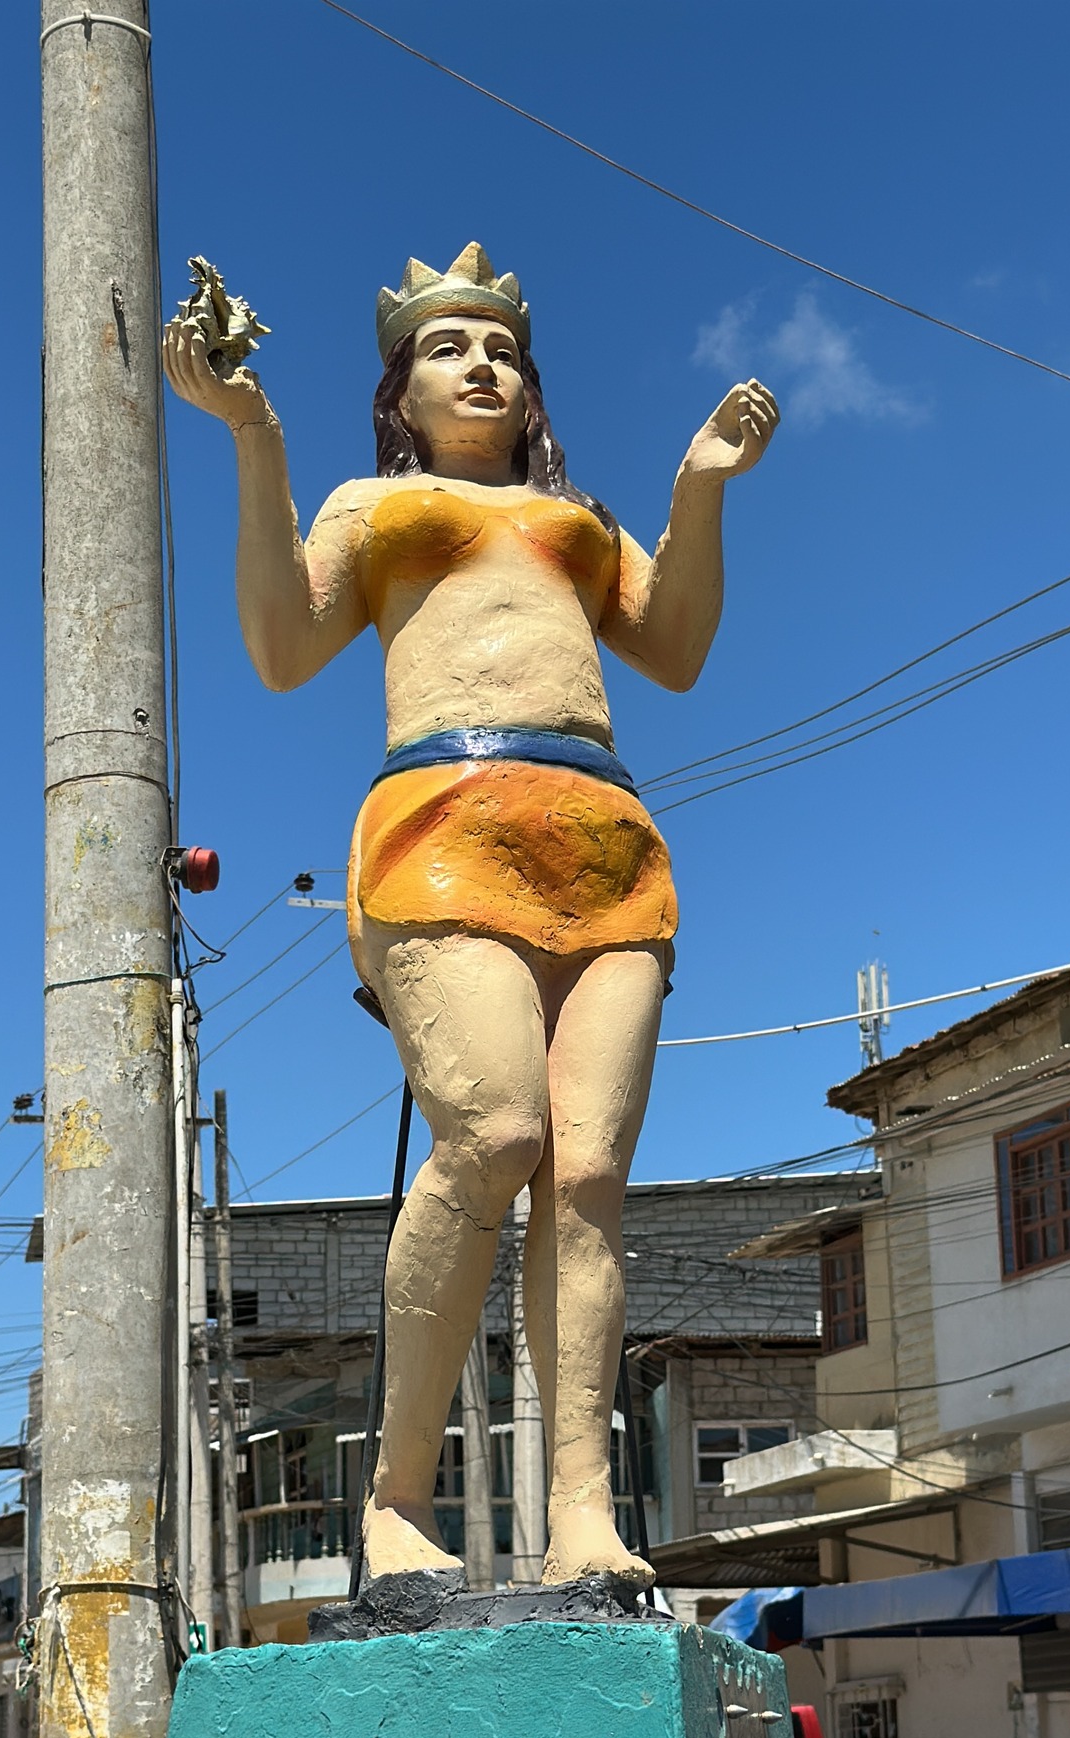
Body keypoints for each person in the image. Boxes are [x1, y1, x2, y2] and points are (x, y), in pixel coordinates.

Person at [163, 242, 779, 1589]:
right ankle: (395, 1499)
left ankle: (582, 1514)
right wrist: (255, 437)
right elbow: (281, 648)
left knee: (590, 1175)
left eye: (501, 349)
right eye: (447, 349)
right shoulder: (374, 506)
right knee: (495, 1131)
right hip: (442, 817)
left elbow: (673, 651)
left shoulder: (578, 520)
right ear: (400, 389)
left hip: (603, 832)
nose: (482, 366)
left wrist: (699, 488)